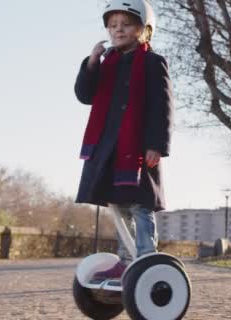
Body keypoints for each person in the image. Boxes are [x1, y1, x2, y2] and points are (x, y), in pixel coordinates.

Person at [73, 0, 174, 280]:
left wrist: (157, 145)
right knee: (118, 205)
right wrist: (92, 62)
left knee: (140, 205)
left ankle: (144, 259)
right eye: (113, 25)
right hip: (109, 148)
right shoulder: (106, 63)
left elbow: (162, 106)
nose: (118, 30)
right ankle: (126, 258)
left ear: (144, 29)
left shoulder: (153, 63)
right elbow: (85, 95)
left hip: (139, 148)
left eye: (126, 25)